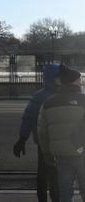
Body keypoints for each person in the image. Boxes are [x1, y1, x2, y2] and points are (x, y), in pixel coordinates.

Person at [13, 63, 60, 202]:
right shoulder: (63, 94)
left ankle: (44, 199)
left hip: (43, 140)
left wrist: (23, 138)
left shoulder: (39, 96)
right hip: (59, 140)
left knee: (44, 173)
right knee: (55, 175)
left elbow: (28, 117)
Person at [38, 65, 85, 202]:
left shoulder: (48, 103)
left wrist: (47, 154)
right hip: (83, 153)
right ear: (74, 81)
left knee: (64, 191)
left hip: (62, 155)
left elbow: (42, 133)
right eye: (79, 79)